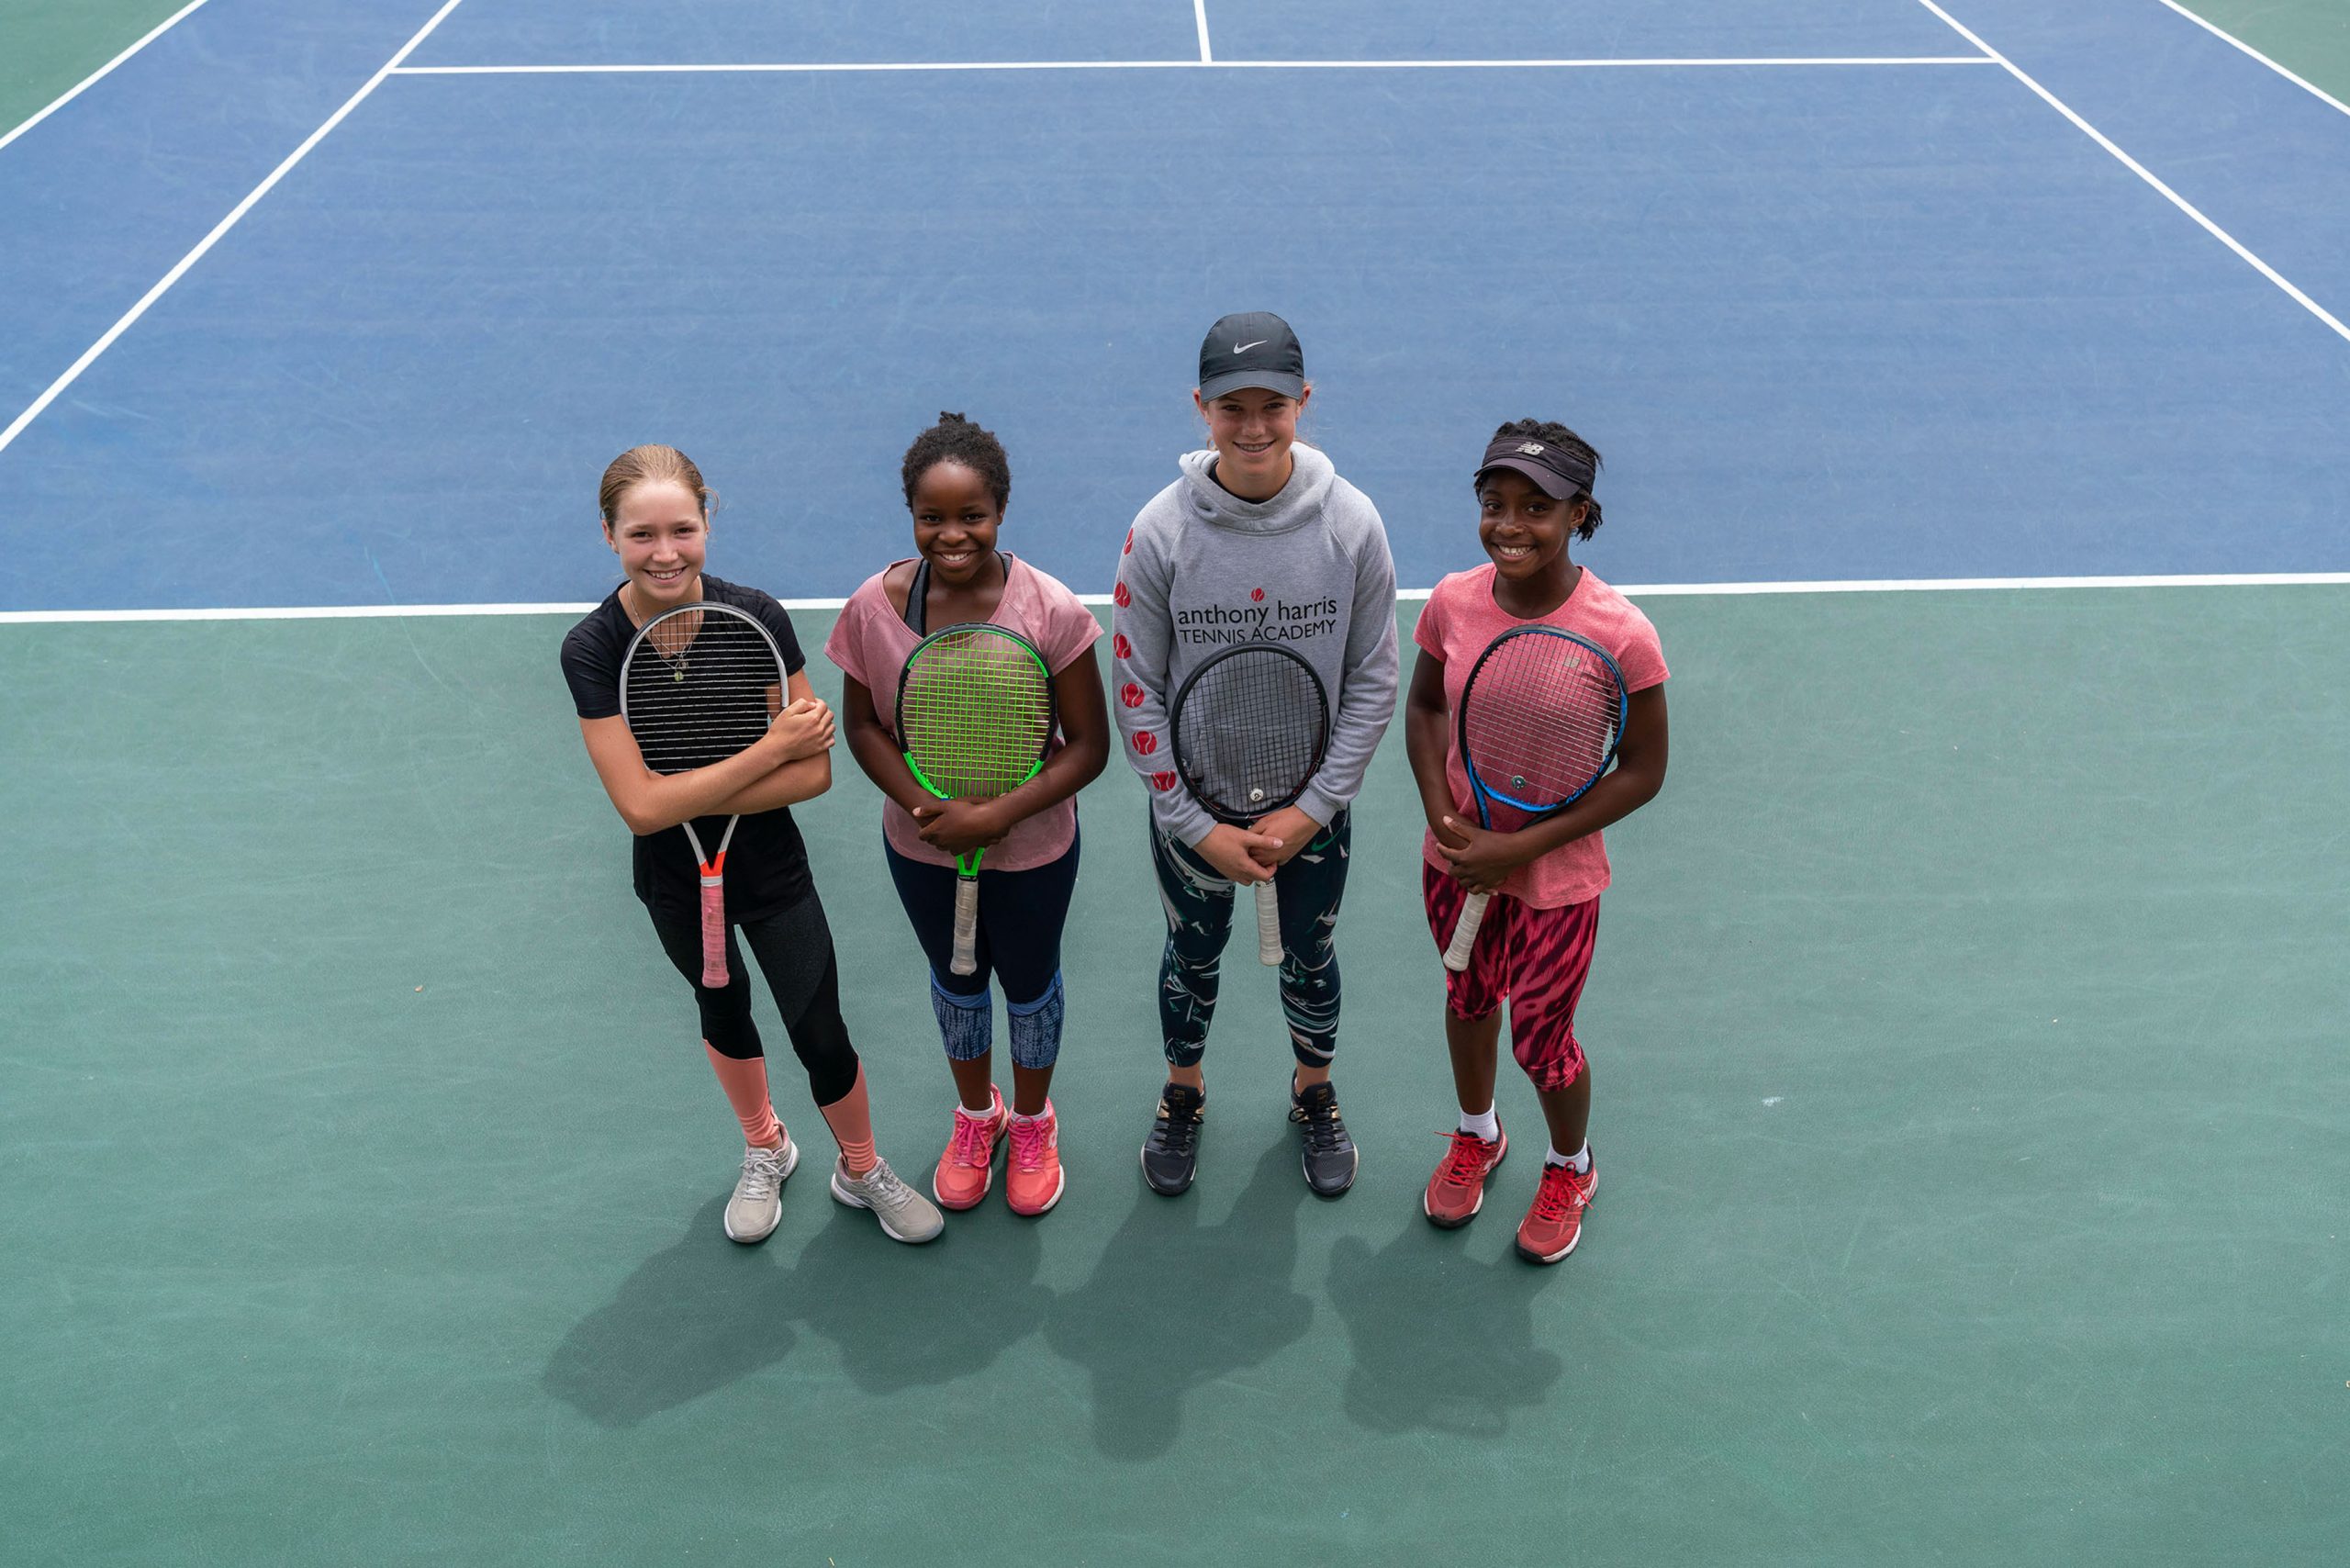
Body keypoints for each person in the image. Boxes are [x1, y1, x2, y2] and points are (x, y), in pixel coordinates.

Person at [558, 443, 944, 1247]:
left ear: (708, 521)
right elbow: (640, 808)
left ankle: (861, 1166)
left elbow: (817, 779)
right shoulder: (592, 650)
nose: (664, 553)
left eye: (682, 529)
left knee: (820, 1029)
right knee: (722, 1010)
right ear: (608, 536)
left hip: (772, 872)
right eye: (641, 536)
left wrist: (706, 787)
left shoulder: (756, 620)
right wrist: (768, 753)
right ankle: (767, 1147)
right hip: (673, 879)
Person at [1108, 312, 1399, 1198]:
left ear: (1304, 402)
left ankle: (1314, 1094)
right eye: (1233, 406)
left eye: (1273, 404)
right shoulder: (1158, 533)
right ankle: (1183, 1094)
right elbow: (1135, 691)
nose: (1254, 426)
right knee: (1189, 959)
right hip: (1192, 814)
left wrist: (1311, 810)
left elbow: (1374, 681)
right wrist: (1193, 823)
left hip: (1313, 813)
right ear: (1201, 409)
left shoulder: (1353, 525)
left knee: (1313, 958)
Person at [828, 412, 1109, 1217]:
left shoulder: (1048, 609)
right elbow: (862, 726)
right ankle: (975, 1118)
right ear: (911, 515)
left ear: (1002, 511)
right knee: (956, 982)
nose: (952, 535)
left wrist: (997, 818)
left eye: (971, 516)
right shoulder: (870, 609)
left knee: (1027, 983)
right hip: (921, 847)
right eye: (932, 517)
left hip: (1034, 852)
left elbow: (1087, 747)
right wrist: (926, 806)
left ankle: (1030, 1122)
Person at [1404, 420, 1670, 1263]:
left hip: (1556, 882)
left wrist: (1522, 849)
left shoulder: (1619, 632)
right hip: (1457, 859)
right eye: (1494, 505)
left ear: (1580, 514)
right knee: (1468, 1001)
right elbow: (1424, 709)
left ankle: (1570, 1164)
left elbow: (1643, 770)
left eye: (1536, 508)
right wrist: (1444, 814)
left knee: (1543, 1040)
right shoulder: (1453, 600)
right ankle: (1477, 1134)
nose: (1510, 524)